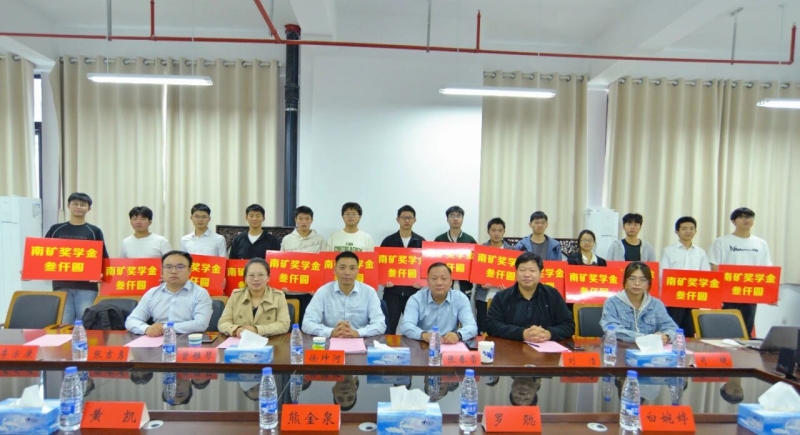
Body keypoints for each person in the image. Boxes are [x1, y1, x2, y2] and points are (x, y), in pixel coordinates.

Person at [44, 192, 110, 324]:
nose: (79, 207)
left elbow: (103, 257)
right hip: (61, 285)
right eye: (75, 204)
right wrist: (29, 270)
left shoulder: (94, 231)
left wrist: (101, 274)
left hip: (87, 287)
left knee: (87, 323)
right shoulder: (56, 229)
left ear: (89, 208)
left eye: (83, 204)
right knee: (64, 325)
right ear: (68, 206)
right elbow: (42, 253)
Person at [708, 207, 771, 338]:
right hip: (728, 293)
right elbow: (714, 267)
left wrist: (771, 294)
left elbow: (767, 270)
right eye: (741, 217)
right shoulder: (721, 242)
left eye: (749, 217)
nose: (745, 220)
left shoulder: (761, 243)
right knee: (725, 329)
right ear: (733, 221)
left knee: (746, 330)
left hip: (750, 293)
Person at [485, 252, 574, 342]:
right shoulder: (502, 297)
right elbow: (491, 325)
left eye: (532, 270)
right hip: (511, 347)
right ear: (516, 272)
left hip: (545, 347)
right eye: (522, 270)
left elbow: (568, 325)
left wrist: (548, 334)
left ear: (540, 273)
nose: (527, 275)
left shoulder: (552, 295)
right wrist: (522, 334)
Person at [125, 251, 213, 335]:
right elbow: (131, 320)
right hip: (157, 339)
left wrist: (164, 327)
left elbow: (201, 324)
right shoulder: (152, 293)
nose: (173, 271)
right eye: (168, 267)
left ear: (189, 270)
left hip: (188, 340)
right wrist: (146, 329)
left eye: (180, 267)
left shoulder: (200, 293)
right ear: (162, 271)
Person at [302, 251, 386, 337]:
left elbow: (380, 325)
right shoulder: (323, 292)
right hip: (331, 341)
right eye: (342, 268)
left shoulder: (369, 292)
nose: (347, 272)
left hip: (360, 340)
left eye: (352, 268)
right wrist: (331, 332)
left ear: (358, 271)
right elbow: (307, 323)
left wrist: (357, 333)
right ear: (335, 271)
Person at [398, 262, 478, 343]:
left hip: (449, 344)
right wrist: (424, 335)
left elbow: (472, 326)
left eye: (444, 279)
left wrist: (458, 335)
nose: (439, 283)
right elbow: (406, 325)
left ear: (451, 281)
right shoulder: (416, 299)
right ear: (428, 281)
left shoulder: (460, 298)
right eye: (434, 278)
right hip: (423, 344)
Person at [600, 262, 677, 344]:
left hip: (649, 350)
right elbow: (611, 329)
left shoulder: (656, 304)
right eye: (632, 279)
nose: (637, 283)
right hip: (620, 349)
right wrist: (645, 338)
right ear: (625, 281)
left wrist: (667, 336)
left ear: (648, 284)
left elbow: (673, 328)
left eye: (643, 280)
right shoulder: (612, 303)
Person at [660, 216, 711, 337]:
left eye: (691, 228)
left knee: (689, 330)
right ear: (676, 231)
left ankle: (687, 349)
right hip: (674, 297)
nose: (688, 231)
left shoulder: (700, 252)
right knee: (672, 329)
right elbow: (662, 275)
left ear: (695, 231)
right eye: (684, 229)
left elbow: (706, 275)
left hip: (693, 297)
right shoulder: (668, 251)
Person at [380, 205, 426, 334]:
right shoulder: (388, 241)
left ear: (414, 220)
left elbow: (426, 266)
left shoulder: (421, 242)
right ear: (397, 219)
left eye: (409, 218)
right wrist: (384, 280)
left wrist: (421, 282)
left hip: (414, 293)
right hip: (392, 292)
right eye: (403, 217)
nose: (406, 220)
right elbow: (381, 265)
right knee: (389, 328)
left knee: (413, 329)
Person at [218, 258, 290, 337]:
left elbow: (284, 325)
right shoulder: (236, 295)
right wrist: (236, 330)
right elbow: (223, 323)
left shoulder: (278, 296)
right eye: (251, 275)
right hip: (240, 342)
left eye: (261, 275)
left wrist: (257, 330)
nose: (256, 279)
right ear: (245, 278)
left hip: (269, 341)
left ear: (268, 277)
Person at [280, 206, 326, 324]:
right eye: (300, 218)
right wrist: (281, 284)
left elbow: (324, 266)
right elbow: (281, 265)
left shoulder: (320, 240)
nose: (304, 222)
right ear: (295, 219)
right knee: (290, 323)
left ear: (312, 220)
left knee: (308, 324)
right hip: (290, 290)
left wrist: (318, 286)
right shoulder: (287, 239)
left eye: (307, 218)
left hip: (310, 292)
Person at [474, 218, 513, 334]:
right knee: (483, 329)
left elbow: (515, 273)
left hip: (504, 296)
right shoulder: (481, 249)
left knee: (502, 329)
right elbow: (476, 271)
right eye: (493, 230)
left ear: (504, 232)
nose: (497, 233)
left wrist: (509, 286)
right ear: (488, 232)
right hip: (484, 295)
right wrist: (480, 282)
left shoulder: (512, 251)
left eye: (500, 230)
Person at [434, 205, 477, 298]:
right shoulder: (439, 240)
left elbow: (476, 265)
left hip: (465, 286)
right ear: (447, 219)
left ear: (462, 219)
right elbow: (434, 264)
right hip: (443, 287)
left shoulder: (470, 240)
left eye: (459, 216)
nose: (455, 219)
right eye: (452, 216)